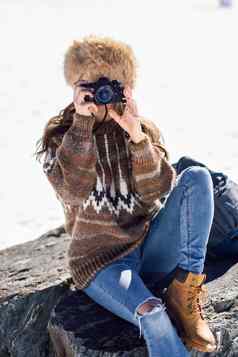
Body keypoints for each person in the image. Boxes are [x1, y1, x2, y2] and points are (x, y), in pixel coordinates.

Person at [35, 35, 217, 356]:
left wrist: (136, 137)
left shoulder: (140, 129)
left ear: (126, 85)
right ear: (77, 87)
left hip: (149, 248)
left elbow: (157, 192)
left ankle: (186, 289)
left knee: (197, 178)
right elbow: (74, 192)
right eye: (92, 84)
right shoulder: (59, 137)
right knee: (153, 315)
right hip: (104, 265)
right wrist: (82, 124)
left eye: (111, 84)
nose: (103, 94)